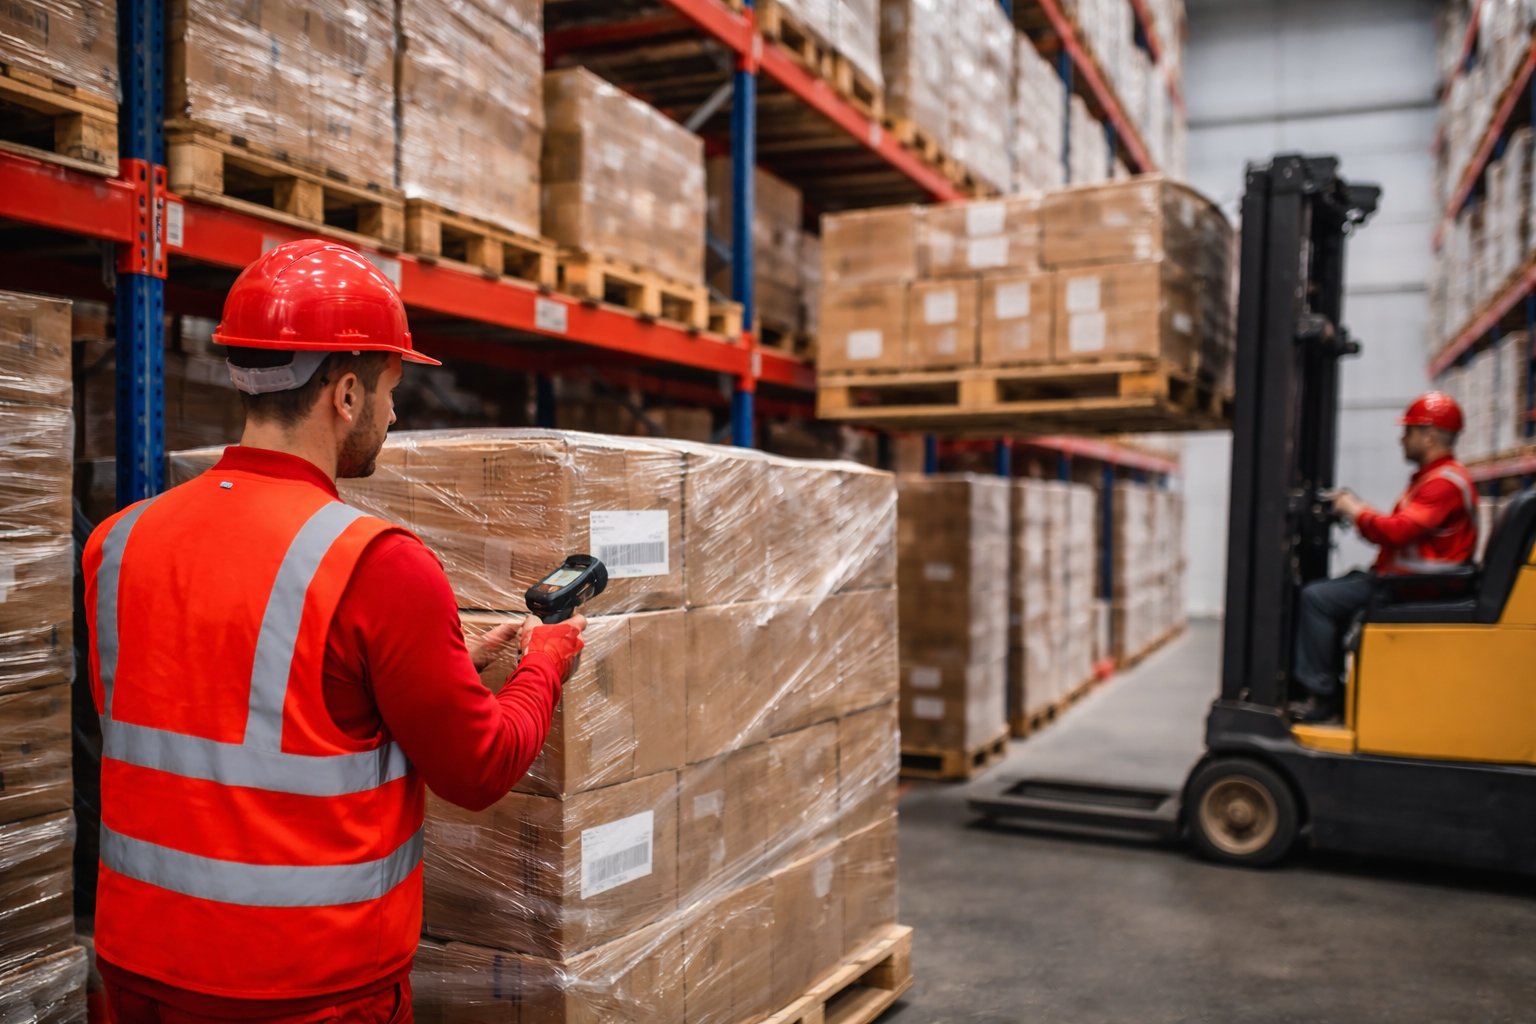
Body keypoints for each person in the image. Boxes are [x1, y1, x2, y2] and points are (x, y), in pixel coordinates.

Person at [82, 239, 587, 1023]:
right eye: (391, 390)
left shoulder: (118, 541)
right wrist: (544, 664)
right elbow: (480, 768)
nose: (395, 412)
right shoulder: (376, 565)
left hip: (134, 972)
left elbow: (230, 701)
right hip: (300, 991)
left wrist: (427, 664)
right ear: (345, 394)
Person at [1289, 391, 1477, 723]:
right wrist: (1356, 510)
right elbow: (1397, 533)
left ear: (1429, 435)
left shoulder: (1443, 484)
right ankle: (1332, 688)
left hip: (1418, 587)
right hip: (1410, 580)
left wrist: (1353, 509)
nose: (1401, 438)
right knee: (1342, 586)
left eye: (1409, 431)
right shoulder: (1433, 479)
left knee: (1316, 597)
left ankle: (1320, 695)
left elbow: (1395, 532)